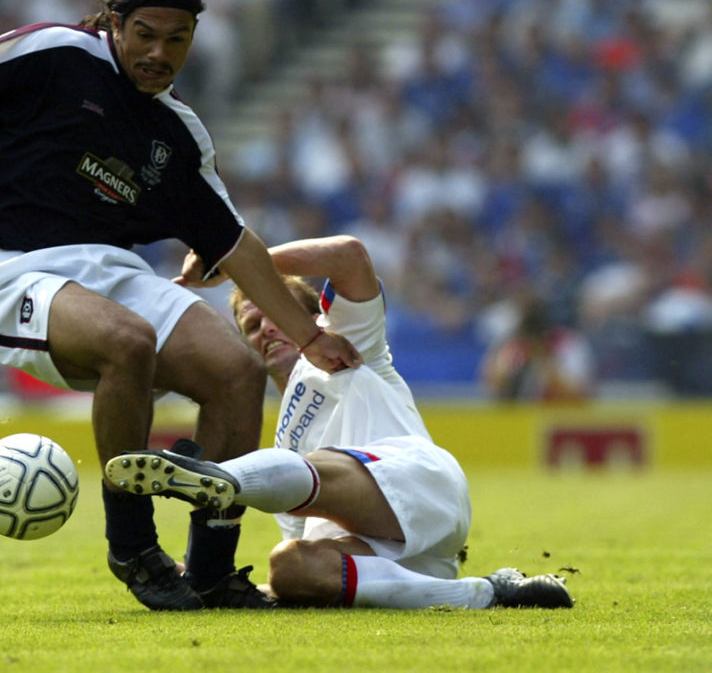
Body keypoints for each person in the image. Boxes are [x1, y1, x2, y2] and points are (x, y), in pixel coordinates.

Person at [0, 0, 360, 612]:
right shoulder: (58, 53)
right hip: (11, 271)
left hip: (112, 272)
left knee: (235, 371)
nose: (158, 52)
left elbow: (234, 242)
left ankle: (210, 570)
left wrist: (308, 337)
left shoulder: (178, 135)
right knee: (129, 339)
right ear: (115, 23)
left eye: (177, 39)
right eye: (145, 33)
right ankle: (134, 546)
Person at [107, 235, 574, 609]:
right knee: (289, 567)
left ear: (313, 315)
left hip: (419, 482)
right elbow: (302, 549)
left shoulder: (346, 344)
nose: (265, 329)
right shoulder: (281, 441)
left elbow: (349, 257)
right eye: (251, 327)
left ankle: (217, 478)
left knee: (299, 469)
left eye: (273, 314)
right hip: (409, 558)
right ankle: (487, 592)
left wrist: (241, 266)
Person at [479, 293, 596, 403]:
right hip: (518, 418)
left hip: (557, 417)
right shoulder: (510, 346)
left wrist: (544, 358)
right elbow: (492, 388)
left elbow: (580, 393)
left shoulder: (568, 343)